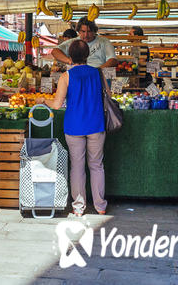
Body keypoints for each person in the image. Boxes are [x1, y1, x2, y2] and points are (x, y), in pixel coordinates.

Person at [36, 39, 107, 216]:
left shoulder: (66, 76)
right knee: (97, 165)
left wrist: (44, 100)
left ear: (70, 56)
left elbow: (57, 104)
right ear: (88, 55)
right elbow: (108, 94)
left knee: (77, 166)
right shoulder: (98, 73)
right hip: (96, 124)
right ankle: (100, 205)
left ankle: (78, 206)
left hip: (74, 125)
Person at [51, 17, 118, 68]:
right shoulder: (73, 42)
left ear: (94, 31)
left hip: (98, 75)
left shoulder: (104, 42)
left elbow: (113, 60)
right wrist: (69, 61)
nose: (86, 35)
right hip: (77, 76)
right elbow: (55, 51)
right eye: (83, 31)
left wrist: (97, 71)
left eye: (89, 31)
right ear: (79, 31)